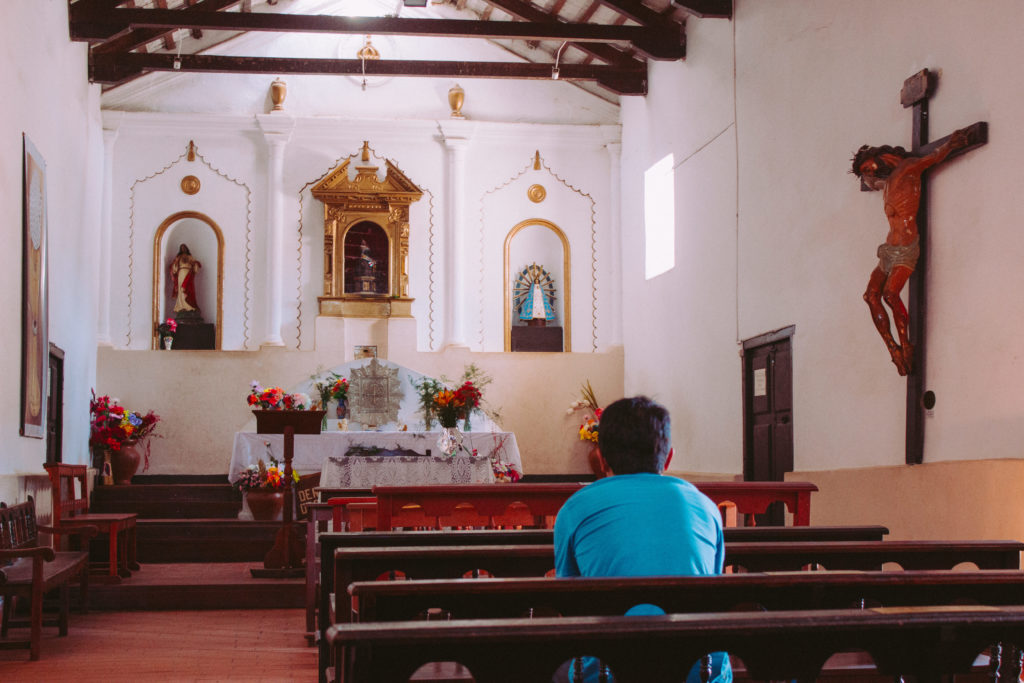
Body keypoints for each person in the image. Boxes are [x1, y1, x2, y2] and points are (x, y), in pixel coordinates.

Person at [553, 396, 730, 683]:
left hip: (607, 673)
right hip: (699, 672)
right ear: (669, 456)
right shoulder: (705, 506)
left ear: (601, 458)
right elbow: (714, 584)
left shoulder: (576, 508)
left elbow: (570, 599)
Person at [851, 128, 969, 375]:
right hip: (888, 249)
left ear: (876, 156)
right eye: (865, 172)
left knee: (891, 295)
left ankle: (906, 346)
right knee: (870, 295)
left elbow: (933, 157)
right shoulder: (888, 181)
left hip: (905, 247)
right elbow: (876, 181)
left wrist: (951, 143)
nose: (869, 174)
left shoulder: (908, 168)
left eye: (867, 168)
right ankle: (892, 348)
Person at [170, 243, 202, 314]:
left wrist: (195, 264)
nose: (183, 249)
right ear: (180, 249)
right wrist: (175, 264)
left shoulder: (190, 256)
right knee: (181, 289)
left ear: (186, 249)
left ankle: (189, 306)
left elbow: (194, 264)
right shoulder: (178, 257)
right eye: (182, 248)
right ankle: (181, 306)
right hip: (181, 273)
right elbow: (174, 268)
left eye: (184, 248)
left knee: (188, 288)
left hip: (188, 273)